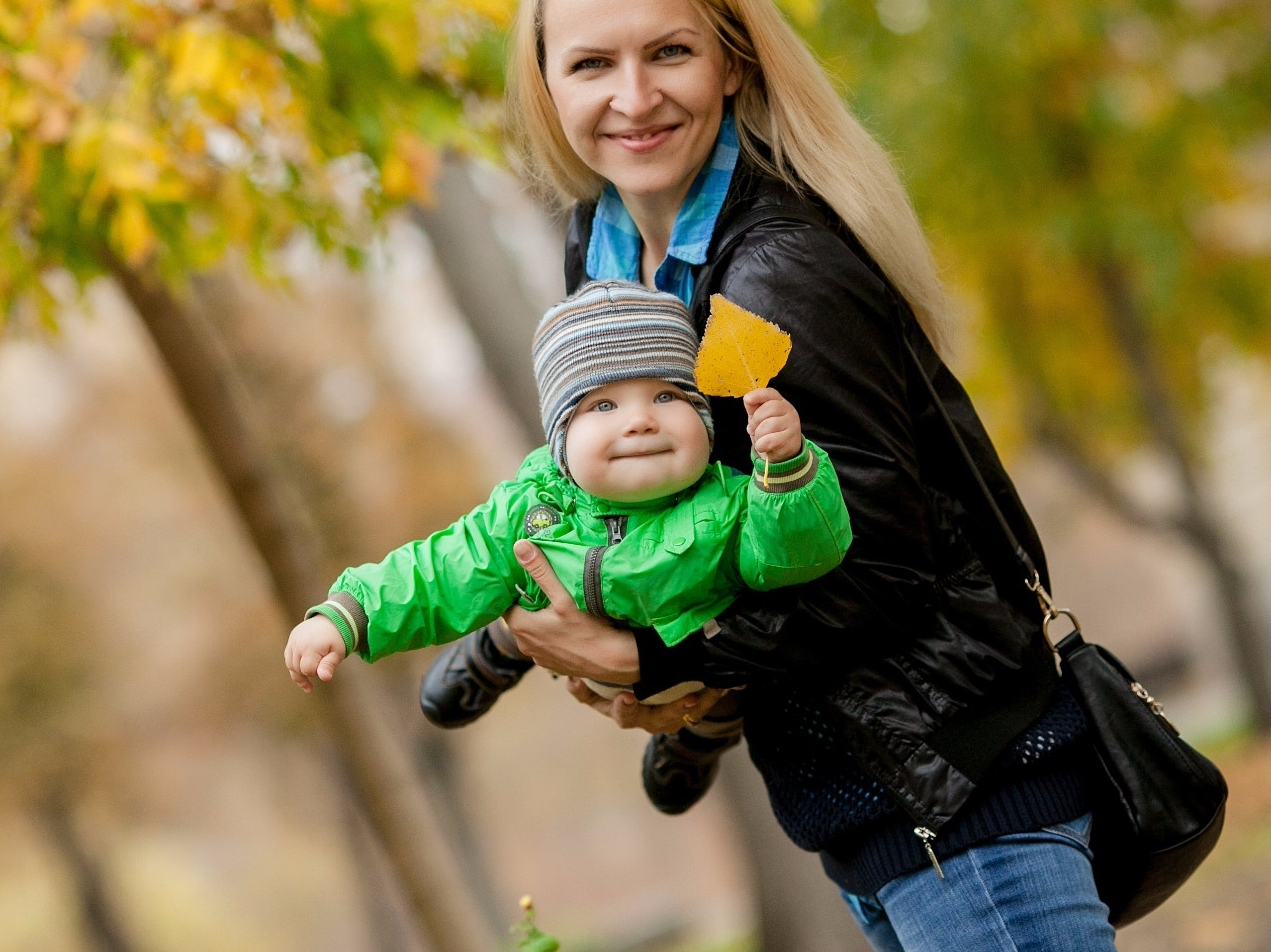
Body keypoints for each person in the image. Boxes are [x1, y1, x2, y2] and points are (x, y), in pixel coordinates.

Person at [483, 0, 1146, 952]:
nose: (632, 96)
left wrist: (654, 650)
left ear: (733, 61)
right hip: (860, 788)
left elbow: (881, 563)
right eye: (591, 61)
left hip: (956, 781)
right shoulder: (602, 262)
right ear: (545, 84)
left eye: (670, 50)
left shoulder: (777, 270)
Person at [282, 281, 852, 738]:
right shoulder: (537, 506)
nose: (640, 420)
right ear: (560, 441)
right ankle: (502, 643)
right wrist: (348, 615)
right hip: (577, 653)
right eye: (603, 404)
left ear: (704, 422)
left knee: (719, 708)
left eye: (666, 396)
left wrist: (788, 474)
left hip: (696, 674)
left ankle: (700, 742)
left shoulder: (728, 504)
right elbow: (441, 566)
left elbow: (796, 559)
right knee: (500, 573)